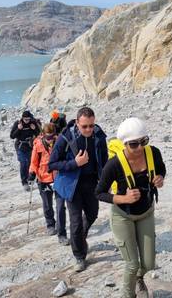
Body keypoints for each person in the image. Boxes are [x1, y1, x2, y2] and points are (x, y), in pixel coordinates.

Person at [96, 118, 166, 298]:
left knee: (149, 263)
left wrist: (159, 177)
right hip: (122, 217)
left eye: (144, 141)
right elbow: (99, 192)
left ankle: (139, 279)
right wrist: (122, 198)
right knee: (132, 264)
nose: (140, 147)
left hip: (146, 213)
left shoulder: (153, 153)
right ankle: (128, 294)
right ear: (125, 144)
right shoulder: (114, 164)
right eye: (134, 144)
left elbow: (161, 169)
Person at [48, 106, 108, 272]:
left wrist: (106, 181)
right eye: (84, 126)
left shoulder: (99, 136)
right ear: (77, 123)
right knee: (75, 224)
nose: (88, 129)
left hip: (92, 183)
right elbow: (51, 164)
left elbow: (104, 159)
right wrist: (75, 163)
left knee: (92, 215)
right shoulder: (65, 137)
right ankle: (79, 256)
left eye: (91, 125)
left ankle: (80, 239)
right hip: (72, 185)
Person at [28, 123, 69, 243]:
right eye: (48, 137)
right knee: (47, 205)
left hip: (58, 179)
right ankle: (50, 224)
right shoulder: (38, 144)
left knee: (60, 206)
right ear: (43, 134)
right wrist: (31, 173)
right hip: (43, 179)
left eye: (52, 137)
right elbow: (34, 162)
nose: (50, 140)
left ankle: (62, 234)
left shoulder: (60, 143)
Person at [10, 110, 40, 191]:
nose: (27, 121)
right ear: (22, 118)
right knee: (23, 163)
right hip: (20, 145)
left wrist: (34, 129)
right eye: (25, 119)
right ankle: (24, 182)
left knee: (31, 163)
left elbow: (39, 134)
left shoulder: (33, 123)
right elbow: (12, 136)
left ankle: (30, 179)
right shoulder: (18, 123)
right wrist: (19, 129)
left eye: (28, 119)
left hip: (30, 146)